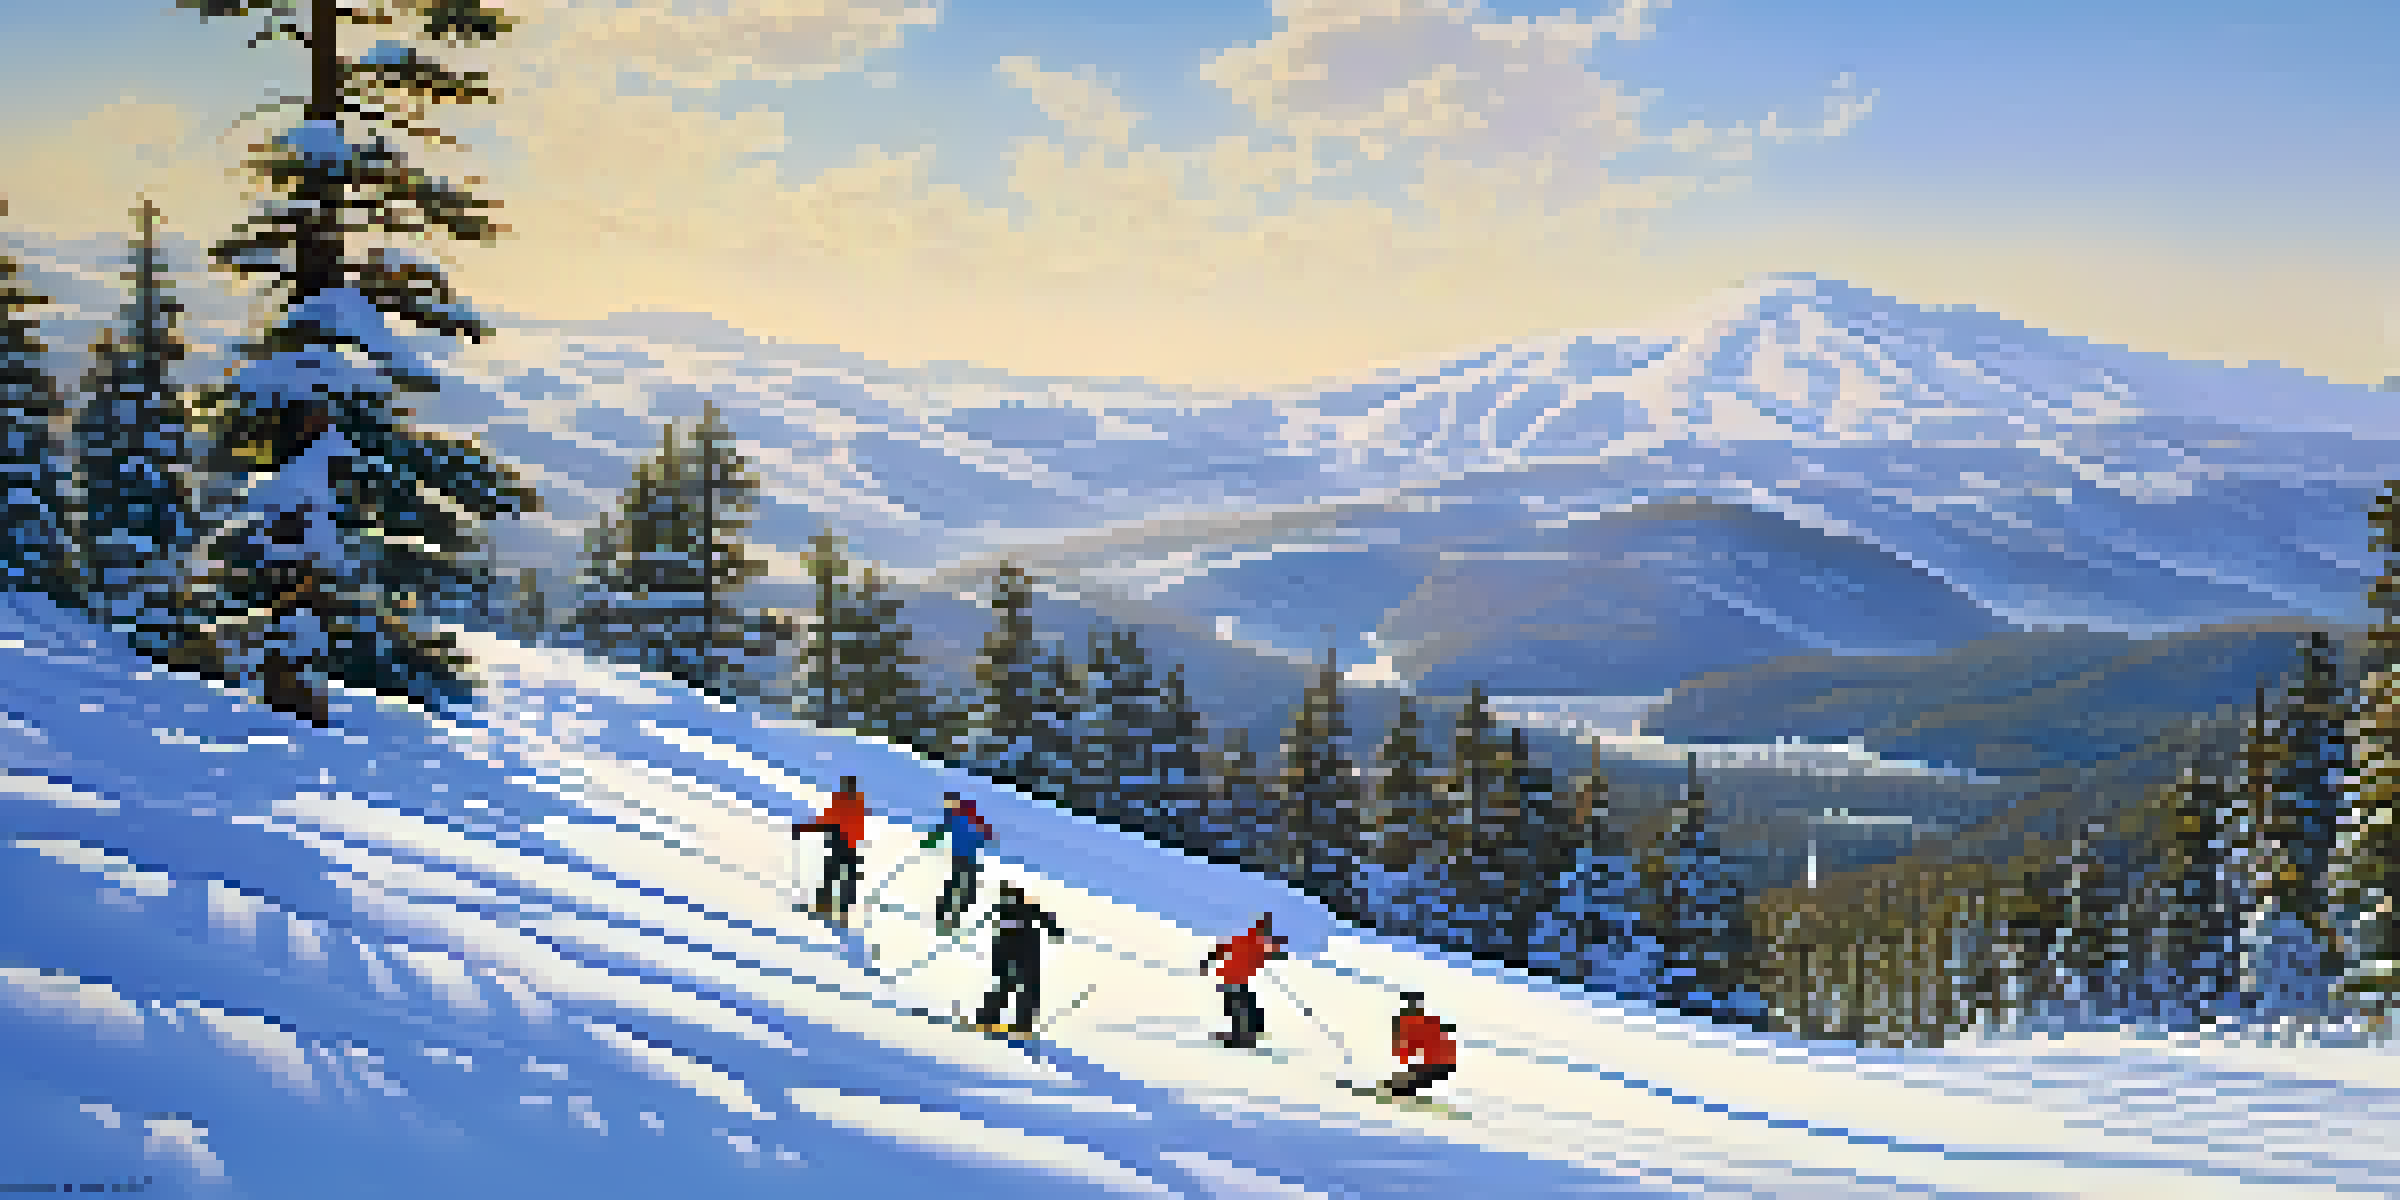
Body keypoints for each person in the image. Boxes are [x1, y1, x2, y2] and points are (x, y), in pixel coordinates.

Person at [972, 883, 1067, 1036]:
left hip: (1019, 954)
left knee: (1012, 987)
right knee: (1014, 987)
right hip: (1021, 954)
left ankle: (1003, 1019)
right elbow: (1048, 921)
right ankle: (1002, 1019)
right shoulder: (1016, 910)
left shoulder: (1013, 910)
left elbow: (1047, 921)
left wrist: (1055, 930)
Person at [1199, 913, 1286, 1049]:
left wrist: (1208, 961)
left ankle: (1248, 1033)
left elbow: (1272, 953)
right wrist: (1208, 961)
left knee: (1246, 1007)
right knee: (1241, 1007)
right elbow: (1222, 949)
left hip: (1236, 981)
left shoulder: (1255, 943)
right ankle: (1241, 1036)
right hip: (1232, 980)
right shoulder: (1249, 942)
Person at [793, 776, 867, 925]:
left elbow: (828, 821)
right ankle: (837, 910)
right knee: (841, 875)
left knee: (836, 874)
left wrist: (804, 828)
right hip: (845, 843)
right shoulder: (853, 804)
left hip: (842, 842)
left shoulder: (845, 803)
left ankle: (834, 909)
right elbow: (828, 821)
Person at [918, 791, 995, 935]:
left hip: (968, 858)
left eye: (949, 804)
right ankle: (944, 917)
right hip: (962, 857)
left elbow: (984, 831)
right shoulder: (955, 816)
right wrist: (928, 842)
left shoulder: (965, 814)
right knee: (960, 887)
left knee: (964, 889)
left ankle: (949, 917)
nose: (947, 807)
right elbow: (942, 831)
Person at [1379, 991, 1456, 1098]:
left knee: (1400, 1083)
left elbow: (1406, 1050)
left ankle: (1407, 1089)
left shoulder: (1416, 1023)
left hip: (1437, 1066)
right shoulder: (1427, 1021)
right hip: (1440, 1066)